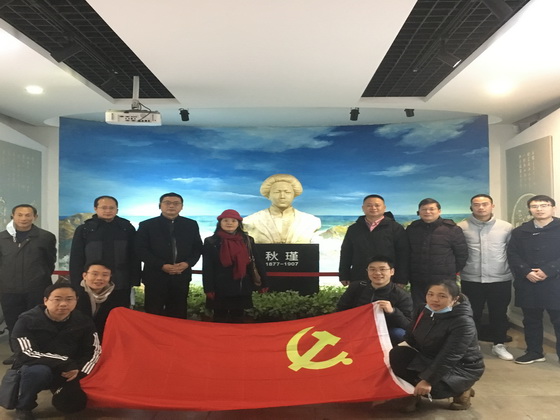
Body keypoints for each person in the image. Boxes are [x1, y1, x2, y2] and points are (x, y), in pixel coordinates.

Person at [8, 280, 101, 419]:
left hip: (69, 370)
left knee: (73, 405)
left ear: (76, 301)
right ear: (45, 300)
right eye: (57, 299)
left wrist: (79, 372)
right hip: (38, 366)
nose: (63, 304)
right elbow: (26, 353)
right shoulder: (27, 320)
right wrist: (65, 363)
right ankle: (24, 406)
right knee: (36, 372)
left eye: (69, 299)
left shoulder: (83, 321)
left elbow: (94, 351)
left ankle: (61, 392)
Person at [389, 280, 484, 412]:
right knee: (397, 355)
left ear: (455, 299)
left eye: (442, 296)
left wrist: (427, 380)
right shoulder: (423, 310)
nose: (434, 299)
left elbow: (450, 356)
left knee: (435, 390)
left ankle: (462, 389)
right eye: (430, 294)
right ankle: (413, 392)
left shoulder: (463, 322)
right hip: (429, 357)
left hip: (460, 367)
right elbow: (410, 337)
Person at [458, 194, 514, 361]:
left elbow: (512, 252)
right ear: (471, 207)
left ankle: (499, 344)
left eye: (485, 204)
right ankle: (472, 345)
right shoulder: (462, 227)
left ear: (492, 206)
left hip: (500, 278)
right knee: (471, 314)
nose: (481, 207)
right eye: (476, 204)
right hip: (471, 278)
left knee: (499, 313)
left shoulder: (506, 227)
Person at [0, 204, 56, 365]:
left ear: (35, 217)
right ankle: (17, 353)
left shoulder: (46, 237)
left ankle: (37, 352)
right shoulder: (2, 237)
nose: (23, 218)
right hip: (8, 289)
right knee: (13, 322)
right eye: (20, 215)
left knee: (37, 321)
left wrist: (40, 277)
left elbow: (49, 262)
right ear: (13, 216)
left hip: (36, 288)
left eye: (28, 215)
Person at [507, 194, 560, 365]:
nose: (539, 209)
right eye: (535, 206)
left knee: (558, 320)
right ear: (530, 210)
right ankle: (534, 352)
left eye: (544, 205)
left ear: (553, 208)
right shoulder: (520, 231)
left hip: (555, 282)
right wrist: (526, 271)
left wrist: (548, 270)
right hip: (529, 282)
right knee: (531, 320)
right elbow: (512, 254)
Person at [135, 192, 203, 319]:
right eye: (167, 203)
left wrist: (187, 263)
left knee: (178, 314)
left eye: (176, 203)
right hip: (155, 276)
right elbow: (140, 250)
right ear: (159, 205)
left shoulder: (191, 224)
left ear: (182, 207)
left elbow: (197, 248)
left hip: (181, 276)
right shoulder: (147, 225)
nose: (171, 206)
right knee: (153, 313)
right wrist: (161, 265)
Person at [69, 195, 140, 308]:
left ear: (117, 210)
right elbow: (76, 258)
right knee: (90, 313)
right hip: (92, 283)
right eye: (104, 208)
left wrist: (134, 279)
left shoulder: (127, 228)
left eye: (111, 208)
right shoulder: (85, 229)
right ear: (95, 209)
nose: (108, 211)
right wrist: (76, 282)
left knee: (119, 314)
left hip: (121, 282)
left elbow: (134, 255)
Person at [202, 209, 267, 322]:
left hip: (241, 284)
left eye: (233, 221)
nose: (229, 223)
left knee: (238, 317)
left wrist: (264, 283)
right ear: (220, 223)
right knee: (219, 318)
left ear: (238, 223)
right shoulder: (211, 241)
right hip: (219, 287)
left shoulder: (247, 240)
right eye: (225, 220)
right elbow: (208, 266)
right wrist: (208, 288)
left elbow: (257, 261)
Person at [336, 256, 412, 345]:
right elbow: (340, 310)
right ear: (367, 271)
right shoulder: (356, 287)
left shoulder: (402, 295)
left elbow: (408, 325)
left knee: (399, 334)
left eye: (382, 269)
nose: (377, 273)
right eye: (372, 269)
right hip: (357, 327)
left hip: (385, 331)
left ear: (392, 272)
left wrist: (393, 311)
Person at [406, 198, 468, 307]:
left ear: (439, 211)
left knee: (443, 309)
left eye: (431, 209)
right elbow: (406, 253)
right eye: (424, 209)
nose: (427, 212)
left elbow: (462, 255)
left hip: (444, 281)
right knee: (419, 309)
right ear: (419, 212)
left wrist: (449, 270)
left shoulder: (452, 229)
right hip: (418, 280)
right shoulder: (412, 229)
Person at [339, 194, 409, 286]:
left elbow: (403, 255)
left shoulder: (396, 228)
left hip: (387, 278)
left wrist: (401, 279)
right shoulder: (354, 228)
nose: (373, 208)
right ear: (363, 208)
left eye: (377, 205)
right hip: (359, 276)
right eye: (369, 205)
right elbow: (346, 252)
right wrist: (344, 275)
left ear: (384, 208)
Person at [243, 174, 321, 243]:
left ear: (294, 195)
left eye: (287, 192)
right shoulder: (251, 221)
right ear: (268, 195)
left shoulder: (310, 221)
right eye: (277, 192)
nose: (282, 196)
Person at [75, 262, 121, 341]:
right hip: (78, 337)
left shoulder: (117, 297)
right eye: (95, 274)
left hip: (105, 339)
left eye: (105, 275)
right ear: (84, 276)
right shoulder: (74, 294)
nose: (99, 278)